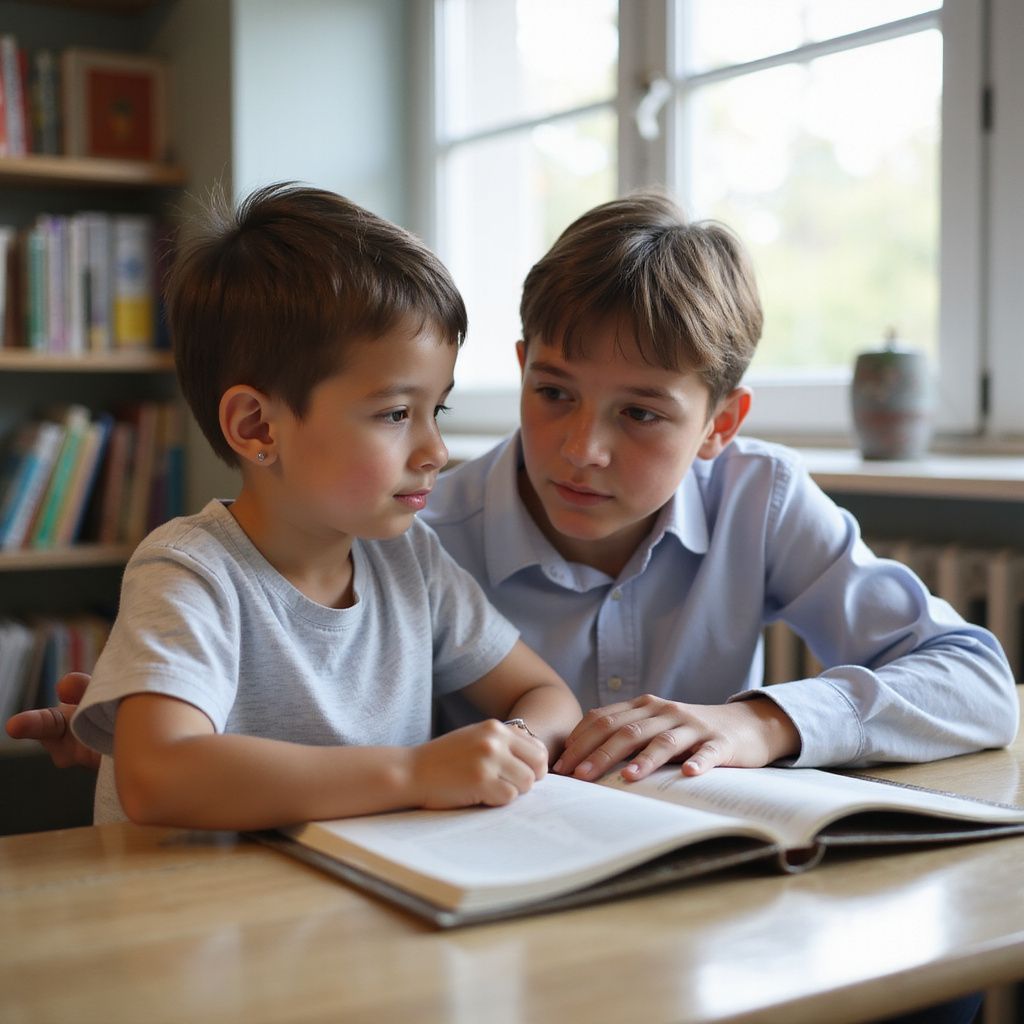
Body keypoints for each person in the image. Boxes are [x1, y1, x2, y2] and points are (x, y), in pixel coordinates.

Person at [9, 189, 1017, 783]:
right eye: (553, 392)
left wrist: (761, 720)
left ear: (720, 425)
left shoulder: (763, 497)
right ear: (523, 362)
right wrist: (145, 727)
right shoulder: (403, 525)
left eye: (642, 413)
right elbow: (244, 706)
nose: (581, 449)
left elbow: (977, 681)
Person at [13, 182, 581, 830]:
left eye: (437, 409)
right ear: (257, 427)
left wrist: (513, 746)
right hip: (194, 916)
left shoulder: (410, 560)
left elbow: (547, 697)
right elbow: (157, 777)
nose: (434, 448)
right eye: (396, 413)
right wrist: (416, 772)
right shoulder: (189, 571)